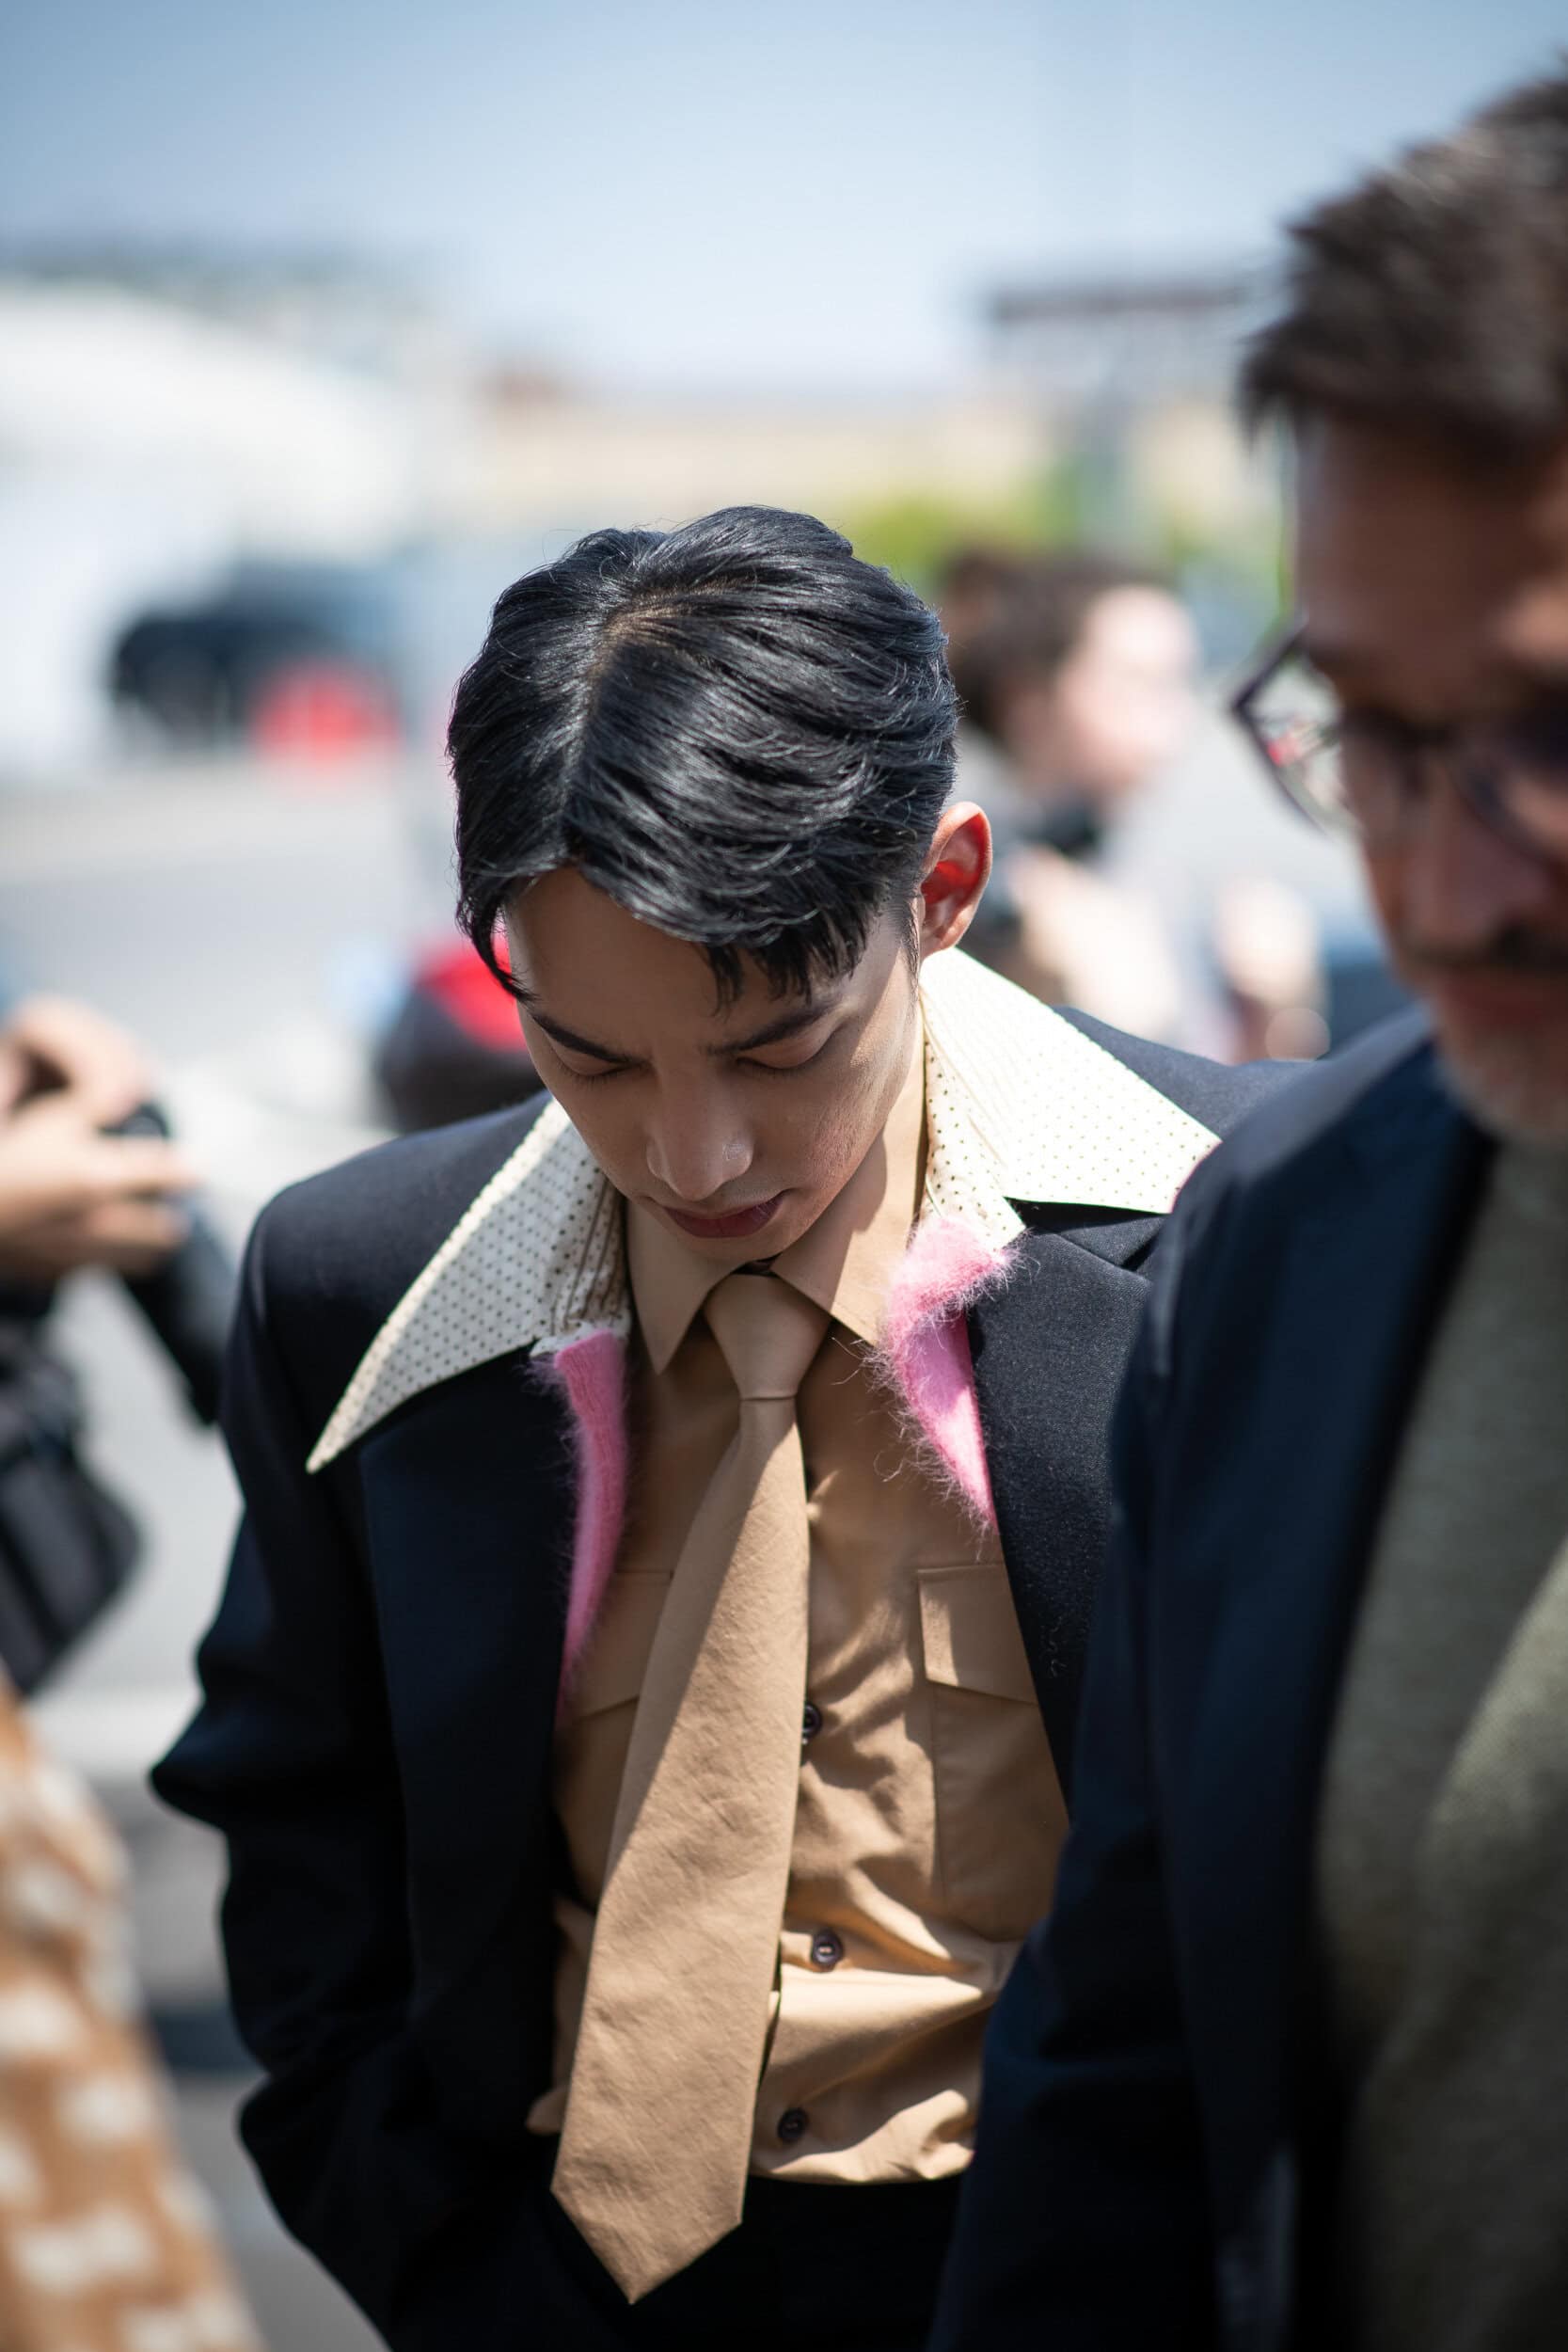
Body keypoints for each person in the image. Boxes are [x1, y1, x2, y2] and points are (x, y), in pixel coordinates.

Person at [150, 508, 1283, 2352]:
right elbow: (300, 1825)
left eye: (777, 1045)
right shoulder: (357, 1280)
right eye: (587, 1054)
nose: (694, 1154)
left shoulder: (1260, 1221)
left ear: (941, 888)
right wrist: (447, 2261)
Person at [931, 66, 1568, 2352]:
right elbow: (1120, 2063)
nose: (1444, 885)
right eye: (1364, 733)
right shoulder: (1285, 1236)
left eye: (1547, 732)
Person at [945, 549, 1323, 1058]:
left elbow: (1216, 1092)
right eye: (1139, 684)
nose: (1179, 717)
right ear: (1030, 700)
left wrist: (1274, 1016)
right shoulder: (968, 889)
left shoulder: (1162, 875)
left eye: (1181, 682)